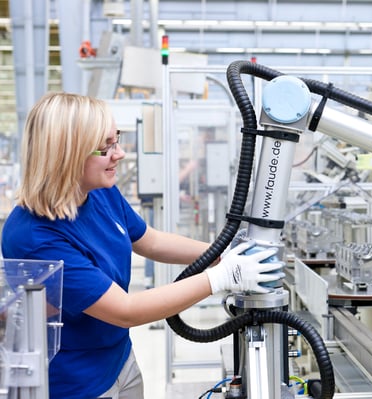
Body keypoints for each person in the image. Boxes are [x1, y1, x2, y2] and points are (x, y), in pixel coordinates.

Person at [1, 92, 283, 399]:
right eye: (105, 146)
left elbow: (150, 240)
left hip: (119, 359)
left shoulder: (97, 191)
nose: (119, 153)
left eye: (116, 139)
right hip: (78, 383)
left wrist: (221, 255)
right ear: (67, 155)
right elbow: (125, 310)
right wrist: (221, 277)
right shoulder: (34, 236)